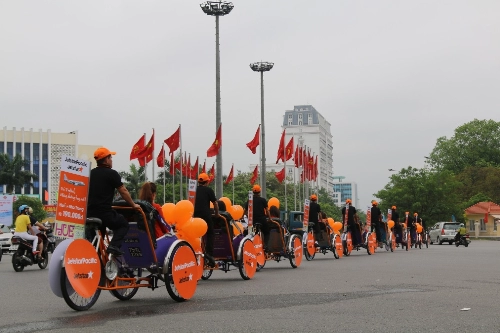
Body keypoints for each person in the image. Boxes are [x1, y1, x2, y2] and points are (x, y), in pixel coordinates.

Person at [87, 147, 140, 255]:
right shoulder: (112, 174)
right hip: (104, 213)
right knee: (123, 224)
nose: (112, 160)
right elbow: (123, 191)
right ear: (106, 160)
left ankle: (99, 266)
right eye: (110, 158)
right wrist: (133, 205)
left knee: (96, 245)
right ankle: (114, 246)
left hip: (89, 213)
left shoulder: (90, 174)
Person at [193, 173, 219, 267]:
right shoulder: (208, 190)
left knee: (195, 234)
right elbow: (215, 203)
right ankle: (209, 254)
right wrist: (216, 214)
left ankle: (194, 251)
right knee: (210, 233)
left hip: (194, 217)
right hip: (205, 216)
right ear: (207, 182)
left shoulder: (194, 190)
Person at [244, 185, 272, 249]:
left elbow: (245, 210)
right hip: (262, 219)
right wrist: (270, 219)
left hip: (253, 220)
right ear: (260, 191)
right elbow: (267, 210)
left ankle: (252, 245)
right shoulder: (263, 200)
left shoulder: (249, 200)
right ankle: (265, 245)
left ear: (253, 192)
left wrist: (247, 217)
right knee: (266, 232)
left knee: (252, 233)